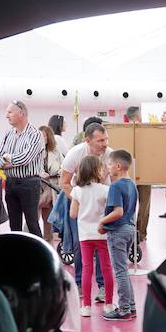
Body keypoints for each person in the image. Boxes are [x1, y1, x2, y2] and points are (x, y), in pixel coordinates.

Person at [61, 122, 112, 297]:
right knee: (79, 244)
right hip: (79, 201)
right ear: (87, 140)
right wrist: (79, 200)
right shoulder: (75, 154)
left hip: (102, 203)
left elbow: (117, 184)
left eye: (106, 139)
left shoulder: (110, 155)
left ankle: (103, 286)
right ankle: (80, 284)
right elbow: (64, 183)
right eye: (100, 140)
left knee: (103, 245)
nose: (104, 144)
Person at [69, 154, 112, 318]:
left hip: (85, 235)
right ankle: (108, 304)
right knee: (106, 268)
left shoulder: (77, 191)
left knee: (87, 269)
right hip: (102, 234)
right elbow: (110, 211)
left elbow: (73, 214)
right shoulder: (105, 190)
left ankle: (86, 306)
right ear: (96, 170)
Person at [99, 148, 138, 321]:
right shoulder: (132, 185)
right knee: (124, 270)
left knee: (120, 271)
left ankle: (123, 310)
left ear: (118, 166)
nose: (107, 168)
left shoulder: (115, 186)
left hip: (118, 231)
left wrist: (102, 222)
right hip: (130, 229)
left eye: (109, 165)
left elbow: (118, 211)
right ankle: (131, 305)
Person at [0, 100, 45, 233]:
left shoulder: (35, 134)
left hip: (29, 184)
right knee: (14, 225)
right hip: (11, 183)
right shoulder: (8, 134)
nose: (7, 115)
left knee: (32, 223)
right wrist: (5, 161)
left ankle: (38, 253)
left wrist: (8, 158)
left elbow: (26, 158)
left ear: (21, 113)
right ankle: (17, 252)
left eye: (10, 112)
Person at [124, 106, 152, 243]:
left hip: (127, 172)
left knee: (128, 204)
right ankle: (141, 234)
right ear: (138, 115)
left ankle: (129, 233)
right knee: (144, 204)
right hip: (146, 171)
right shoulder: (147, 131)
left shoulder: (122, 131)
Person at [38, 124, 63, 242]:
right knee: (31, 222)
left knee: (48, 223)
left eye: (44, 136)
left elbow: (63, 167)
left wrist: (56, 172)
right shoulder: (33, 151)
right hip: (38, 189)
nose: (42, 138)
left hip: (51, 188)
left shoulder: (56, 151)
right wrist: (40, 174)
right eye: (40, 136)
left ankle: (48, 248)